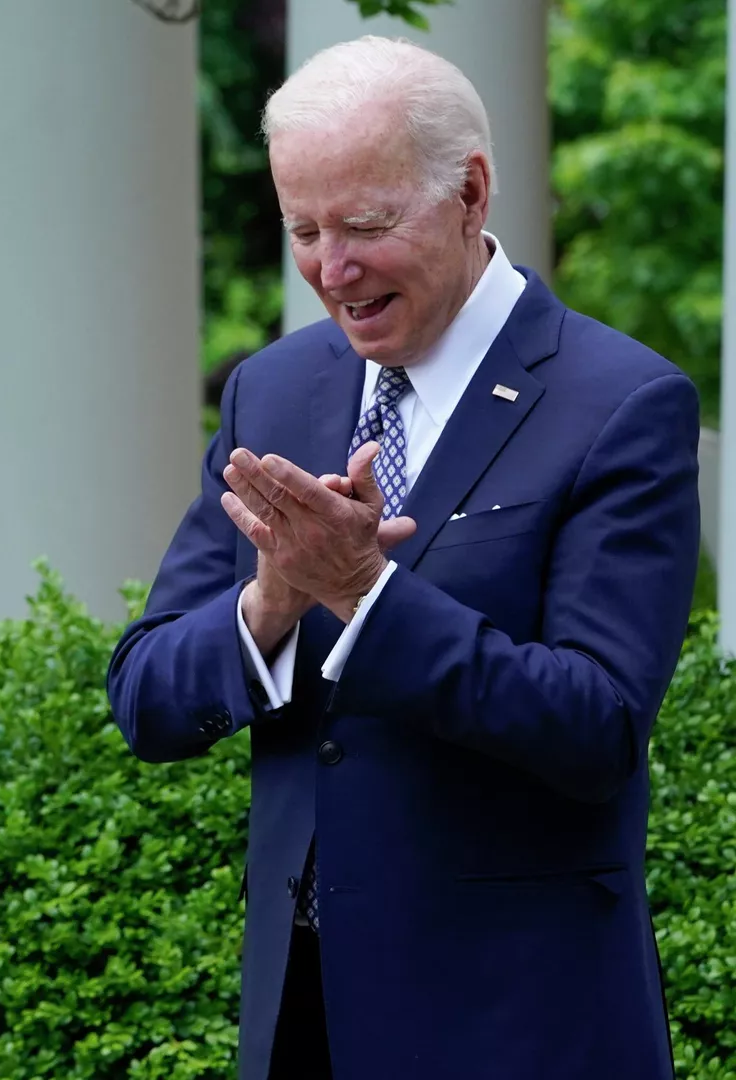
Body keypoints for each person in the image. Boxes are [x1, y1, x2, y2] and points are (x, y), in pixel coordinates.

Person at [107, 37, 696, 1080]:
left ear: (469, 193)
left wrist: (365, 595)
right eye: (303, 229)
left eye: (367, 226)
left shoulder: (623, 403)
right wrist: (273, 603)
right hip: (306, 1018)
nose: (331, 268)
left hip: (522, 1023)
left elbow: (597, 728)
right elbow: (148, 696)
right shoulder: (273, 391)